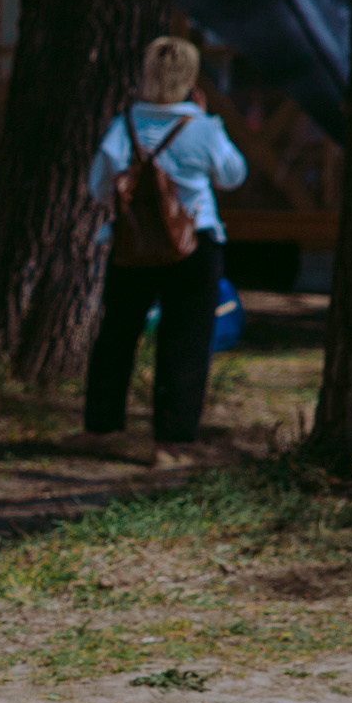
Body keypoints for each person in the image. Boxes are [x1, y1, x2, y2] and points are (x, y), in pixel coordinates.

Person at [81, 36, 247, 458]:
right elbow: (232, 175)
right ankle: (171, 440)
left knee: (117, 333)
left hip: (131, 245)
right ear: (191, 77)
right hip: (195, 242)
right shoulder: (201, 127)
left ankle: (101, 427)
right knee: (186, 340)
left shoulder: (125, 125)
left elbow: (99, 188)